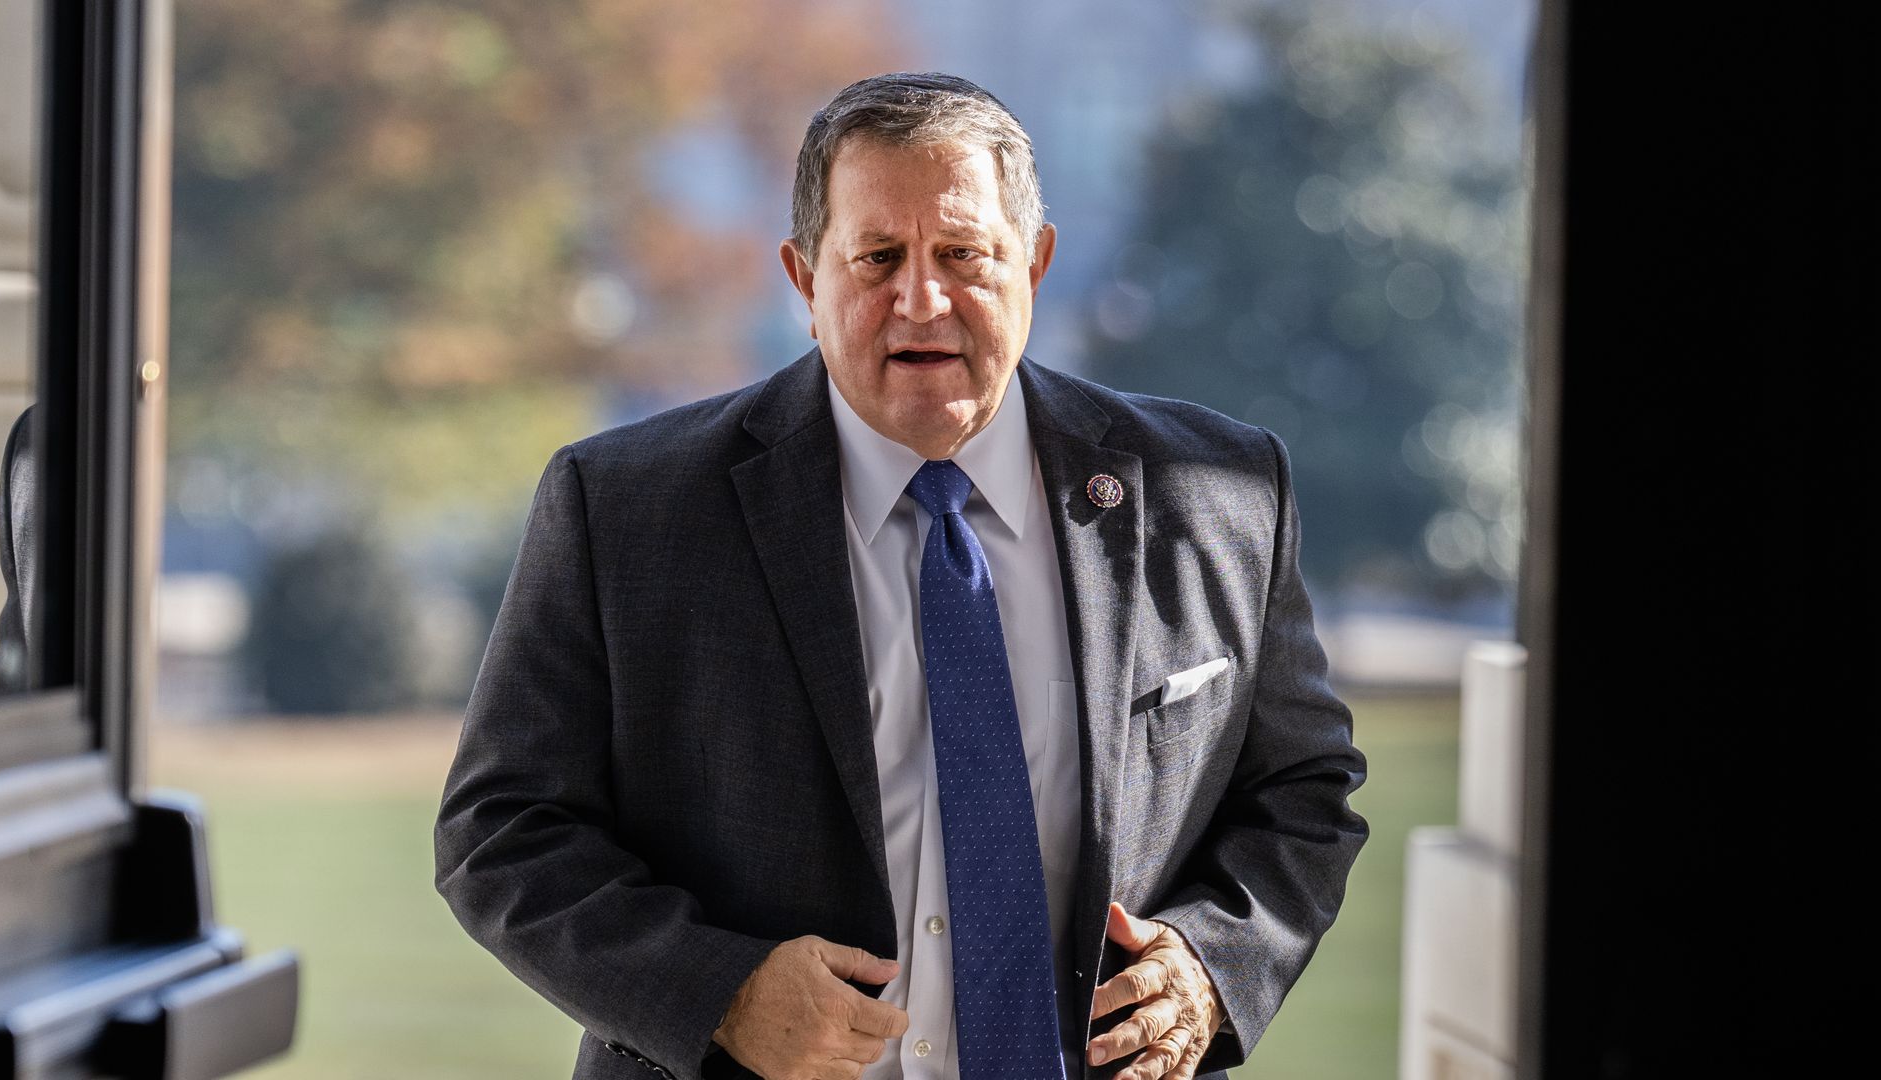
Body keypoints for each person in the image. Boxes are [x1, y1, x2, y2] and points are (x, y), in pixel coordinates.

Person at [435, 72, 1367, 1080]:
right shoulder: (622, 510)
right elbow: (503, 831)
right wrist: (718, 994)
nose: (920, 298)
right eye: (877, 257)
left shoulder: (1219, 494)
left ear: (1036, 264)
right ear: (804, 279)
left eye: (965, 255)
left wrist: (1215, 965)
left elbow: (1303, 789)